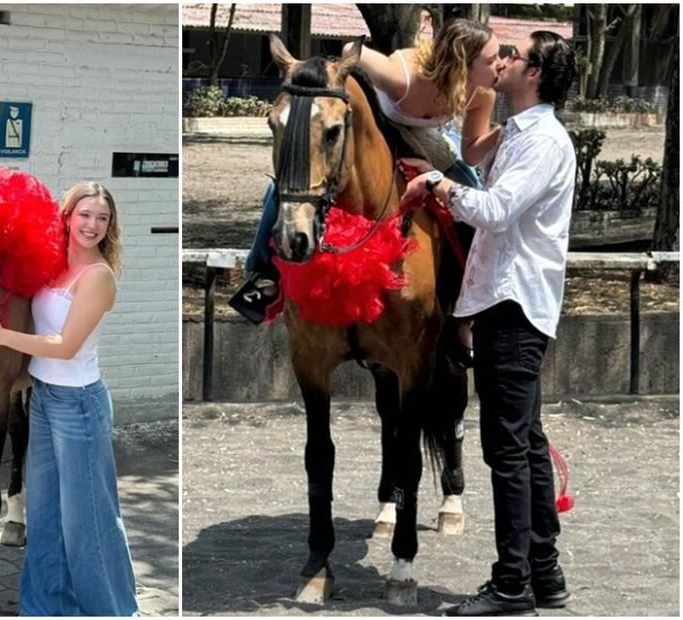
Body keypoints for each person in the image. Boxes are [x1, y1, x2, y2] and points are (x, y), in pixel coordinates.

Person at [398, 31, 577, 616]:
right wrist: (474, 99)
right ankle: (543, 575)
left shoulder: (543, 142)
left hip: (515, 303)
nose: (503, 61)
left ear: (537, 76)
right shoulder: (521, 133)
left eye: (514, 58)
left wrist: (436, 185)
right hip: (509, 300)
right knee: (525, 443)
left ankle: (510, 584)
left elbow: (496, 211)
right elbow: (473, 152)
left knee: (507, 447)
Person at [231, 18, 503, 364]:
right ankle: (262, 273)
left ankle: (466, 308)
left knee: (472, 194)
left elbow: (470, 151)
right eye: (492, 58)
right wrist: (332, 75)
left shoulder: (483, 92)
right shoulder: (400, 74)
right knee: (284, 185)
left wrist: (504, 131)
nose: (501, 64)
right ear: (462, 62)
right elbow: (349, 51)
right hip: (374, 123)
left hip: (427, 141)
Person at [0, 182, 140, 616]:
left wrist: (1, 337)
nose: (93, 225)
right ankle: (45, 608)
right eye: (86, 214)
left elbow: (64, 345)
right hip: (43, 400)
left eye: (102, 218)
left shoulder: (98, 276)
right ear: (68, 216)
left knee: (87, 523)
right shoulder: (54, 265)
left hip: (79, 405)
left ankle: (111, 610)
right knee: (44, 517)